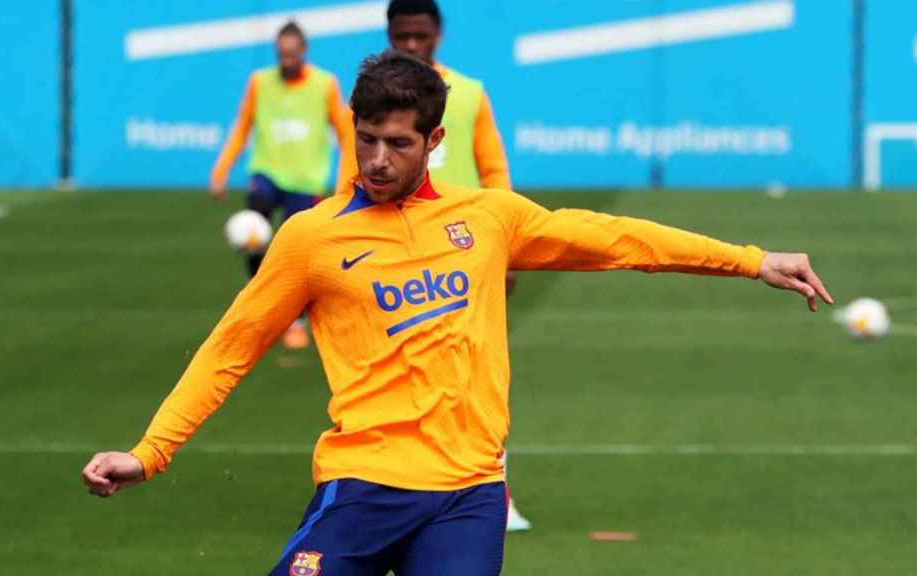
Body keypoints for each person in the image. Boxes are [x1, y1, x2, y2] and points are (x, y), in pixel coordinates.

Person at [82, 51, 833, 576]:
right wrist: (151, 452)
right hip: (362, 484)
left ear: (434, 141)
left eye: (398, 144)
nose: (377, 159)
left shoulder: (490, 220)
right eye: (366, 139)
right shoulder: (312, 237)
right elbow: (231, 347)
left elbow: (615, 239)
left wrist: (750, 260)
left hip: (468, 498)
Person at [386, 0, 530, 529]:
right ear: (390, 34)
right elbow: (350, 176)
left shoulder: (466, 93)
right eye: (402, 36)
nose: (411, 46)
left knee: (478, 372)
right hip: (394, 257)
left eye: (419, 36)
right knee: (400, 376)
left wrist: (508, 244)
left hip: (466, 253)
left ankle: (494, 487)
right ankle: (402, 483)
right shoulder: (375, 99)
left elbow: (494, 169)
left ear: (437, 35)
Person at [209, 20, 356, 349]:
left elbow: (346, 133)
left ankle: (295, 319)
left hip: (306, 181)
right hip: (267, 173)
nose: (286, 60)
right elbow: (242, 127)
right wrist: (221, 172)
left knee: (299, 253)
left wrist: (347, 180)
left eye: (292, 53)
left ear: (303, 51)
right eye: (281, 54)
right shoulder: (260, 82)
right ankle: (258, 301)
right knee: (253, 233)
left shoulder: (324, 84)